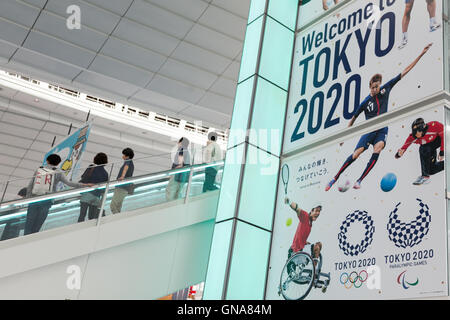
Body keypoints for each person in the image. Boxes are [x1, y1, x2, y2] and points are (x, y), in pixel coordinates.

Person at [325, 43, 432, 191]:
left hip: (382, 129)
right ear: (370, 86)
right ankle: (335, 177)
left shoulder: (385, 89)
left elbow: (404, 72)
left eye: (378, 86)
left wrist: (421, 53)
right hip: (369, 130)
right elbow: (353, 119)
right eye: (374, 87)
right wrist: (344, 137)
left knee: (378, 149)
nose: (376, 89)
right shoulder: (364, 102)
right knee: (356, 155)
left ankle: (360, 180)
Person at [24, 154, 87, 235]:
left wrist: (28, 198)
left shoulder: (39, 169)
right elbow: (69, 183)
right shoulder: (58, 172)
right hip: (47, 200)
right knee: (38, 224)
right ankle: (32, 239)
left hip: (34, 199)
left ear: (47, 161)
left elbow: (31, 184)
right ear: (58, 163)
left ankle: (25, 239)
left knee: (29, 223)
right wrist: (83, 185)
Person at [395, 118, 444, 185]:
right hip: (430, 148)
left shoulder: (434, 125)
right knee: (431, 170)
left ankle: (425, 176)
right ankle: (446, 164)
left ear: (423, 129)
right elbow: (404, 146)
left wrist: (442, 152)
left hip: (440, 140)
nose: (417, 135)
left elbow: (445, 136)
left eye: (418, 133)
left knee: (423, 148)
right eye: (415, 134)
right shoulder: (413, 136)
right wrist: (398, 154)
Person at [284, 197, 322, 268]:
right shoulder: (305, 216)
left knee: (319, 244)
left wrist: (305, 242)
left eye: (319, 212)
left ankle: (313, 270)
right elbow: (297, 209)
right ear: (311, 211)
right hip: (295, 251)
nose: (318, 213)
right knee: (316, 247)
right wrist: (289, 201)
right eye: (316, 211)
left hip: (301, 249)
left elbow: (301, 236)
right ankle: (313, 269)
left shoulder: (310, 224)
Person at [78, 153, 109, 222]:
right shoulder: (105, 173)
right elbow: (104, 187)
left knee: (82, 215)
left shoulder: (91, 167)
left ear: (96, 159)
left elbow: (84, 178)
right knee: (91, 218)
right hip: (97, 197)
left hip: (87, 194)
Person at [110, 148, 135, 214]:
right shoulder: (131, 163)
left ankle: (116, 219)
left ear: (127, 156)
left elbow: (126, 167)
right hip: (125, 188)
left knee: (113, 205)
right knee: (118, 206)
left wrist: (122, 176)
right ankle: (118, 219)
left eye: (124, 154)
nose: (122, 156)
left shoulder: (128, 161)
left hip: (121, 187)